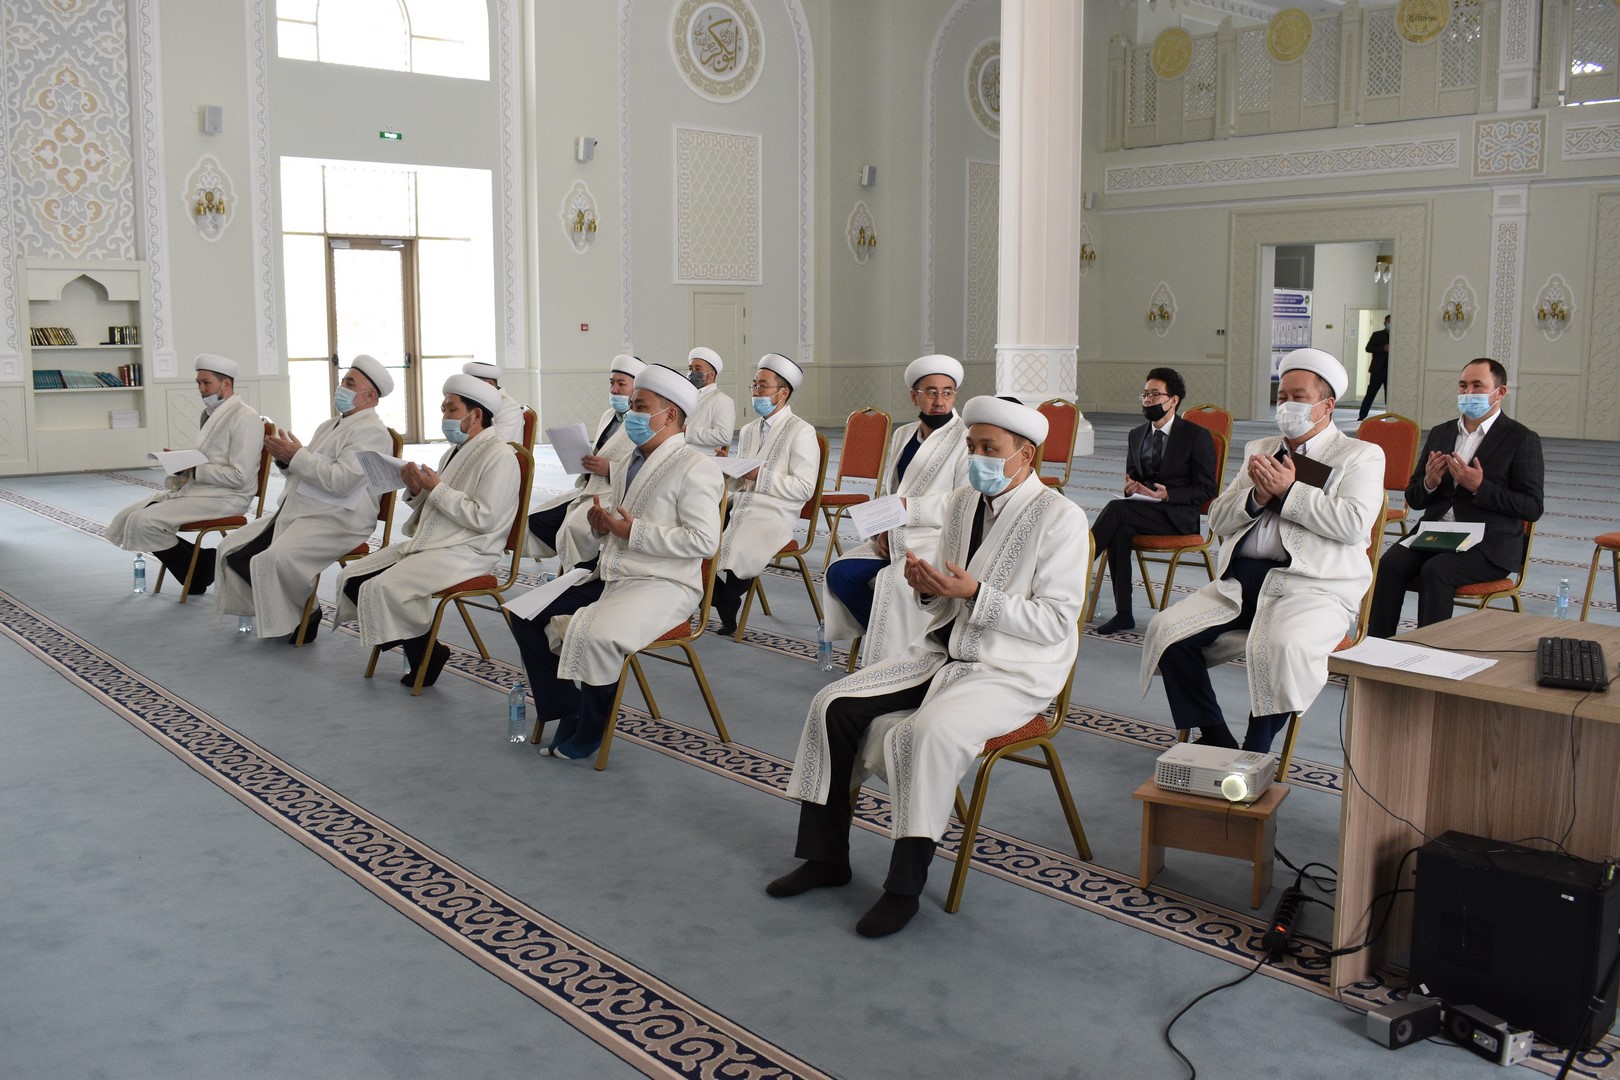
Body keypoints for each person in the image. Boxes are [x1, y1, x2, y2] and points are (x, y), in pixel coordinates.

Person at [771, 396, 1087, 937]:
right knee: (833, 704)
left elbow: (1057, 622)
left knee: (927, 734)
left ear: (1026, 455)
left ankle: (904, 889)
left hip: (1011, 671)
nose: (977, 458)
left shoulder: (1061, 518)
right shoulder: (964, 501)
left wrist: (977, 595)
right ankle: (826, 859)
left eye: (990, 448)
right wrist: (928, 589)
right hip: (942, 652)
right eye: (972, 446)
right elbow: (944, 594)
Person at [1140, 349, 1384, 752]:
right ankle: (1215, 735)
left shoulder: (1358, 456)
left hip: (1312, 586)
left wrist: (1289, 492)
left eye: (1299, 397)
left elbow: (1354, 523)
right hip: (1241, 582)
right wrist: (1256, 497)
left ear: (1327, 406)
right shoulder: (1263, 447)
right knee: (1167, 632)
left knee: (1281, 647)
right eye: (1282, 396)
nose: (1287, 405)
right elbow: (1218, 517)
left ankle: (1255, 750)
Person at [505, 363, 724, 759]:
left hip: (664, 583)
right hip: (611, 572)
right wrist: (603, 526)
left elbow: (704, 541)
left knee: (598, 635)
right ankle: (567, 708)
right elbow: (621, 523)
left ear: (669, 415)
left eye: (641, 407)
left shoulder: (697, 468)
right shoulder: (629, 462)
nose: (633, 415)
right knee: (524, 616)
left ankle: (593, 727)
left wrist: (632, 531)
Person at [335, 374, 519, 689]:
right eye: (444, 409)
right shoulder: (454, 452)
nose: (445, 417)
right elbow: (436, 505)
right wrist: (416, 488)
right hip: (438, 542)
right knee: (352, 578)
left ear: (476, 415)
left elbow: (485, 518)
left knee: (384, 588)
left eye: (452, 409)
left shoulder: (500, 456)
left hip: (471, 549)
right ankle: (420, 646)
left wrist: (437, 489)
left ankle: (426, 654)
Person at [214, 355, 397, 643]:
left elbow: (342, 481)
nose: (341, 387)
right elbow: (306, 469)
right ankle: (300, 611)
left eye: (350, 383)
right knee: (230, 550)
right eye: (343, 380)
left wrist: (297, 456)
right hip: (305, 509)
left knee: (271, 558)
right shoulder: (329, 425)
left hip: (340, 519)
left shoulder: (372, 432)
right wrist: (287, 459)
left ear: (370, 396)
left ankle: (306, 614)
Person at [1366, 357, 1544, 635]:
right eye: (1463, 386)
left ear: (1500, 392)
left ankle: (1429, 651)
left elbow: (1532, 507)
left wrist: (1480, 486)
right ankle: (1376, 645)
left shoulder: (1521, 439)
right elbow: (1415, 497)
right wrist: (1429, 482)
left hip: (1489, 543)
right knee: (1388, 565)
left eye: (1477, 386)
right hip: (1435, 534)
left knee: (1437, 571)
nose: (1468, 392)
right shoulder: (1442, 433)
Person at [823, 354, 971, 665]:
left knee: (893, 584)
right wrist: (883, 528)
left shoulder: (966, 439)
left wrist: (907, 508)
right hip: (895, 534)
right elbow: (892, 490)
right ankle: (894, 643)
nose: (940, 401)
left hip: (936, 538)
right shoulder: (904, 434)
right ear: (914, 396)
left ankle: (896, 656)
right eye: (931, 392)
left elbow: (962, 502)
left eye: (947, 392)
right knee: (839, 575)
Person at [105, 354, 263, 594]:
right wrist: (181, 463)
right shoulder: (209, 414)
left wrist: (193, 469)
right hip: (202, 490)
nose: (201, 389)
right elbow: (207, 458)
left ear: (226, 383)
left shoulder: (246, 417)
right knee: (128, 517)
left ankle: (198, 572)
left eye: (206, 383)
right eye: (198, 383)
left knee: (145, 522)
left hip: (227, 497)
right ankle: (202, 563)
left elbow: (240, 476)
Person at [1090, 367, 1218, 635]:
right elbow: (1134, 478)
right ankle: (1124, 614)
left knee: (1116, 511)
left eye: (1155, 394)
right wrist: (1132, 488)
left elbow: (1207, 489)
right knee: (1120, 531)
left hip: (1178, 519)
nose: (1148, 399)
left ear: (1174, 400)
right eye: (1145, 394)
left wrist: (1168, 494)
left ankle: (1077, 565)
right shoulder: (1136, 434)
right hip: (1143, 511)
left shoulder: (1196, 436)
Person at [711, 353, 818, 635]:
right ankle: (723, 599)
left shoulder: (802, 431)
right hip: (740, 503)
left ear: (783, 393)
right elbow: (741, 480)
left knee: (741, 544)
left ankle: (724, 598)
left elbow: (804, 487)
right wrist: (727, 467)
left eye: (762, 386)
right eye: (754, 385)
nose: (756, 392)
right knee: (698, 531)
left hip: (775, 511)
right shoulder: (748, 430)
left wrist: (761, 476)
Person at [526, 354, 645, 568]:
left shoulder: (641, 424)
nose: (614, 390)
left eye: (621, 384)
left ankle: (584, 575)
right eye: (612, 383)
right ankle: (577, 567)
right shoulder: (608, 415)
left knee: (573, 527)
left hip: (614, 494)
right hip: (589, 487)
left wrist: (610, 469)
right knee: (537, 519)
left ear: (637, 388)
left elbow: (645, 466)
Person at [684, 347, 735, 455]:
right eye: (690, 368)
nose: (692, 372)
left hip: (703, 459)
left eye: (698, 369)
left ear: (711, 375)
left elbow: (724, 436)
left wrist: (687, 432)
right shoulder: (685, 395)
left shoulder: (723, 401)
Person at [462, 361, 526, 445]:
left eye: (472, 385)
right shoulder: (475, 402)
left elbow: (499, 443)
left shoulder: (509, 407)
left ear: (490, 384)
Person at [1358, 315, 1390, 421]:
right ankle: (1362, 416)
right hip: (1378, 369)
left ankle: (1389, 416)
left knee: (1389, 396)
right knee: (1371, 393)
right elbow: (1368, 348)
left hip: (1391, 371)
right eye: (1389, 321)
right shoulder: (1377, 335)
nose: (1390, 324)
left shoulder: (1398, 335)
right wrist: (1383, 348)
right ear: (1385, 322)